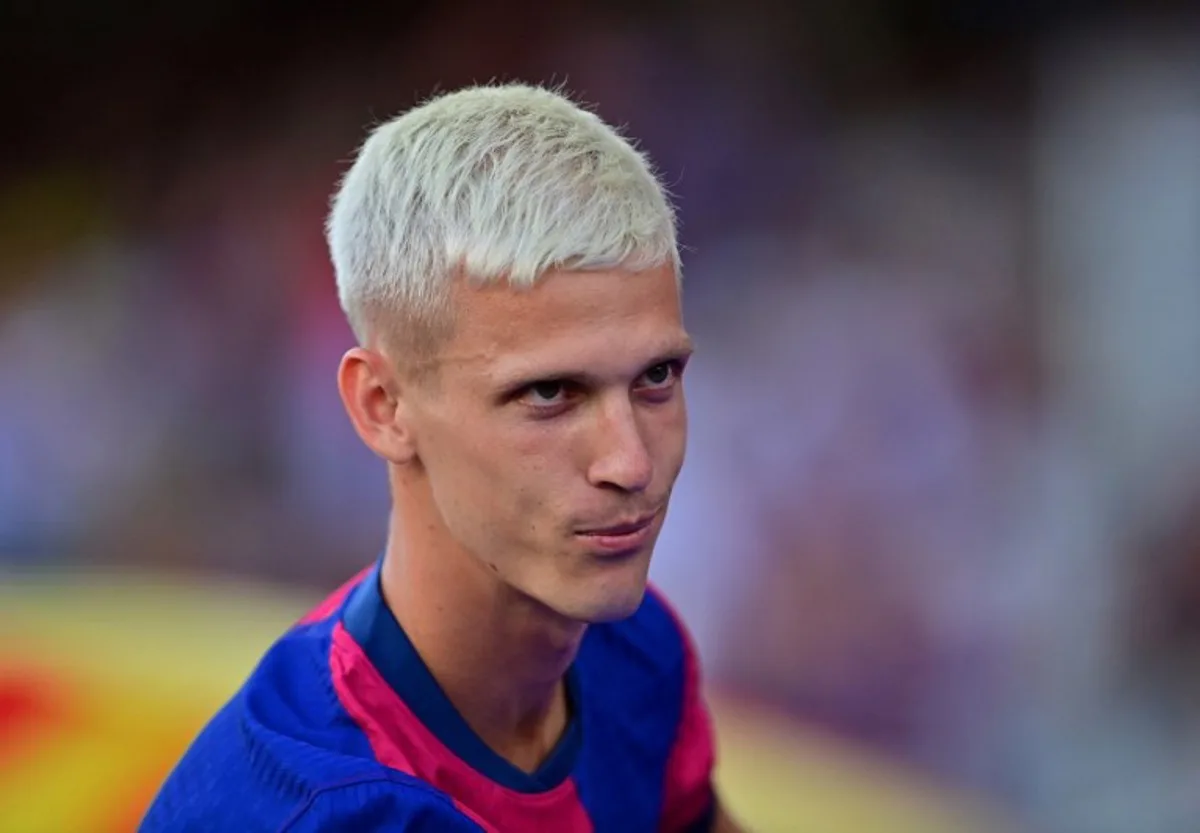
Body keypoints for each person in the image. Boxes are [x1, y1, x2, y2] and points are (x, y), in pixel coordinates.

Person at [139, 84, 742, 831]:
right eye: (550, 392)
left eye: (656, 377)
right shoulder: (313, 811)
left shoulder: (634, 649)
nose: (631, 462)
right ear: (382, 406)